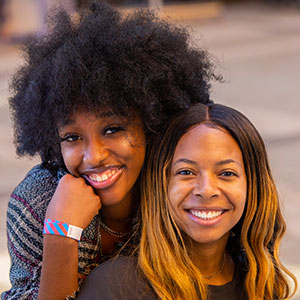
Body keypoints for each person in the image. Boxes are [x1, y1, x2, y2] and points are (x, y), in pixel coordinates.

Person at [1, 2, 217, 299]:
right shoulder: (38, 201)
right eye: (72, 137)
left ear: (152, 122)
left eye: (113, 129)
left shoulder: (179, 184)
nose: (94, 156)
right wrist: (61, 235)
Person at [77, 102, 298, 300]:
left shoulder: (260, 282)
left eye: (227, 173)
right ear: (161, 184)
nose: (206, 190)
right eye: (186, 171)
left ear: (254, 186)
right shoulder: (118, 287)